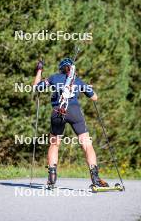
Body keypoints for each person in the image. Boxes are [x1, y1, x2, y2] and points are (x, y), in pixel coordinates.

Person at [33, 58, 109, 188]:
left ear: (61, 69)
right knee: (86, 144)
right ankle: (95, 179)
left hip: (58, 111)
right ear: (72, 69)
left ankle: (52, 177)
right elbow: (95, 97)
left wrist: (39, 70)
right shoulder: (78, 81)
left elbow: (36, 88)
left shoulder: (54, 78)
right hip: (75, 112)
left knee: (54, 144)